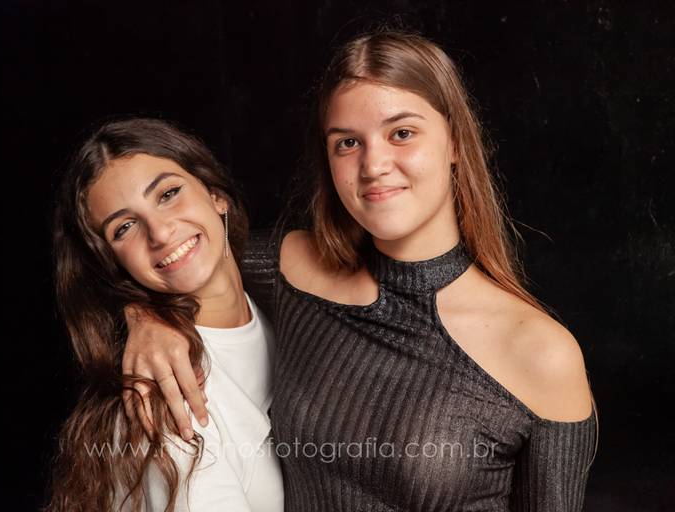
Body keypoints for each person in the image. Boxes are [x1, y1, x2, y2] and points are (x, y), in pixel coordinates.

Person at [123, 30, 598, 511]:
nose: (374, 165)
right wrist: (144, 318)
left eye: (402, 133)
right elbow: (175, 259)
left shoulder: (541, 352)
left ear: (455, 141)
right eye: (348, 143)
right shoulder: (293, 269)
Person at [46, 118, 283, 512]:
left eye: (168, 194)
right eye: (124, 227)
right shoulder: (170, 398)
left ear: (215, 195)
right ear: (113, 263)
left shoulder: (285, 302)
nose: (159, 233)